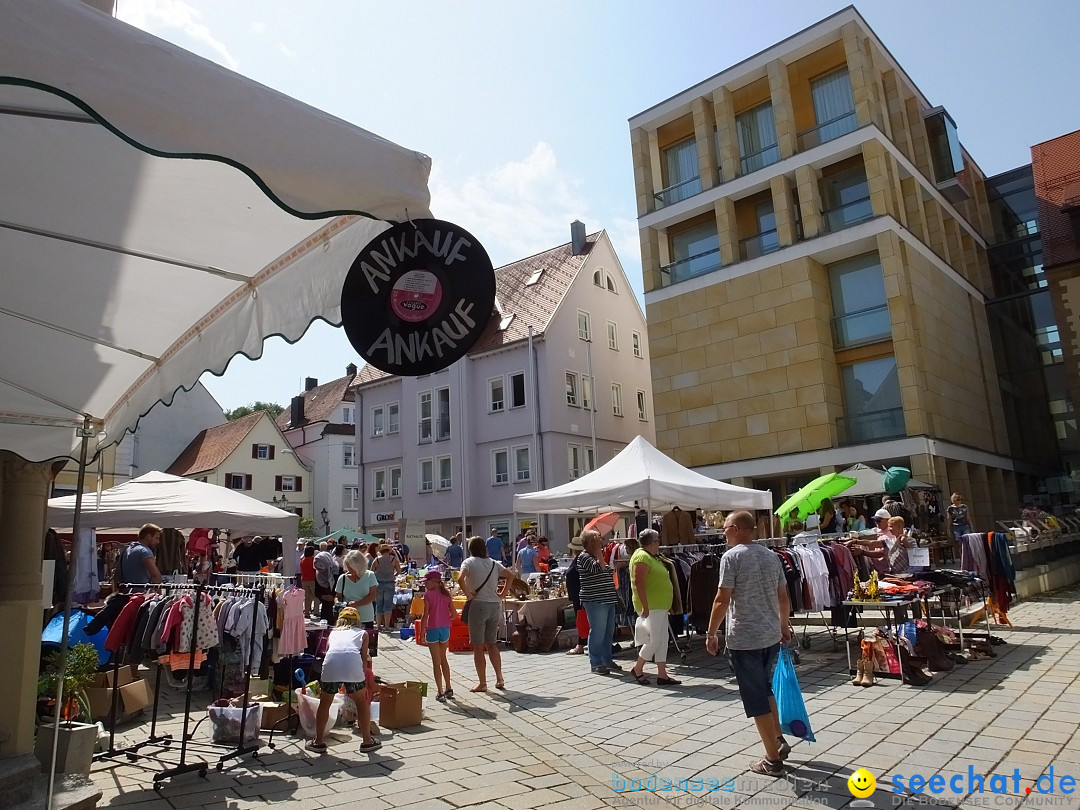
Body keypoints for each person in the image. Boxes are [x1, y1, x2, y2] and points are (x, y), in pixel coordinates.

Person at [705, 511, 792, 777]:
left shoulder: (732, 557)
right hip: (769, 635)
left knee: (755, 698)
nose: (722, 532)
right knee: (766, 688)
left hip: (745, 637)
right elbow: (783, 596)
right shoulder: (771, 556)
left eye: (725, 528)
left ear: (736, 529)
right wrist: (783, 625)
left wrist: (711, 633)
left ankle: (772, 759)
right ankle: (777, 738)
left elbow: (722, 598)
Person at [309, 607, 380, 754]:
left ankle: (318, 741)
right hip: (352, 664)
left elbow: (330, 651)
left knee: (325, 703)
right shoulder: (363, 633)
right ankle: (367, 741)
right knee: (361, 703)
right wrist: (364, 677)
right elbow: (363, 659)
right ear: (357, 621)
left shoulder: (333, 633)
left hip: (331, 665)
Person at [458, 535, 513, 692]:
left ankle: (482, 683)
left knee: (477, 646)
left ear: (470, 548)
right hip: (494, 605)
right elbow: (510, 576)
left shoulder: (468, 562)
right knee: (492, 644)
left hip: (478, 605)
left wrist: (468, 594)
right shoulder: (493, 563)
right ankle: (499, 677)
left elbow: (460, 579)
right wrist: (502, 594)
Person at [628, 529, 679, 686]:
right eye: (657, 541)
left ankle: (662, 674)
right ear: (651, 543)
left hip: (660, 605)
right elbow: (638, 582)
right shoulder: (642, 556)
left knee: (663, 639)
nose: (659, 543)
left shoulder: (652, 557)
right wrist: (645, 606)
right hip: (651, 606)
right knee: (655, 640)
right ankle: (638, 668)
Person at [576, 529, 621, 675]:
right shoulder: (583, 557)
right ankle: (595, 663)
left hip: (607, 599)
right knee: (597, 632)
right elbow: (600, 568)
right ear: (589, 543)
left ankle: (606, 659)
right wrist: (599, 552)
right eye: (597, 539)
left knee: (608, 632)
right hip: (595, 600)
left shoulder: (596, 556)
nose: (601, 541)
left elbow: (608, 571)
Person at [418, 570, 458, 701]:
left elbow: (425, 615)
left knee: (436, 662)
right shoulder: (446, 595)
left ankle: (440, 692)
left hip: (433, 629)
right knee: (444, 659)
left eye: (427, 582)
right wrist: (444, 619)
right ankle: (449, 687)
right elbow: (454, 614)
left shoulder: (428, 595)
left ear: (434, 581)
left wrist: (422, 631)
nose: (425, 585)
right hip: (445, 629)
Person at [336, 550, 378, 632]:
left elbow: (372, 596)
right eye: (348, 567)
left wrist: (356, 604)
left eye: (352, 568)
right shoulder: (342, 578)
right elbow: (338, 596)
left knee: (366, 642)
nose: (349, 570)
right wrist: (338, 604)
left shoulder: (370, 575)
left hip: (365, 616)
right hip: (347, 617)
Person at [564, 536, 589, 656]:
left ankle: (581, 644)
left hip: (580, 594)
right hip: (577, 594)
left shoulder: (580, 559)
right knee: (581, 619)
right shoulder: (579, 559)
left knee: (581, 619)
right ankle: (583, 642)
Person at [118, 523, 163, 588]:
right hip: (140, 594)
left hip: (125, 592)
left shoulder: (126, 550)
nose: (158, 541)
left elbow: (117, 576)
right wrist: (159, 594)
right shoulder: (144, 551)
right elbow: (155, 575)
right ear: (148, 536)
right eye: (156, 538)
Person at [371, 545, 401, 630]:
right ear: (389, 550)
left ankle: (378, 625)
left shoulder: (376, 559)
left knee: (379, 605)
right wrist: (392, 575)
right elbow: (399, 571)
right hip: (390, 583)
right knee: (388, 605)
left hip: (379, 583)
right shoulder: (393, 559)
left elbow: (371, 571)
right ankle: (387, 626)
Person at [313, 543, 340, 623]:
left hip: (337, 608)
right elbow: (316, 591)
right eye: (318, 569)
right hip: (325, 610)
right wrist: (323, 596)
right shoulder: (318, 574)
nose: (320, 571)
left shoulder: (337, 571)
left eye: (321, 568)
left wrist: (335, 597)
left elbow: (340, 588)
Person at [300, 544, 318, 617]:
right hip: (313, 580)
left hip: (304, 580)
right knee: (316, 596)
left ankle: (306, 612)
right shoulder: (314, 560)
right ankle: (316, 611)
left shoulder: (302, 560)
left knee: (307, 597)